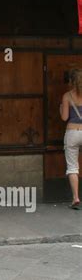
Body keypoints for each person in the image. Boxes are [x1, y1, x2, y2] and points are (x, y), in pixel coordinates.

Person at [60, 69, 82, 209]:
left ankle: (75, 198)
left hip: (72, 132)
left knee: (73, 167)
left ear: (71, 81)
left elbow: (64, 117)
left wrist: (61, 109)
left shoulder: (67, 96)